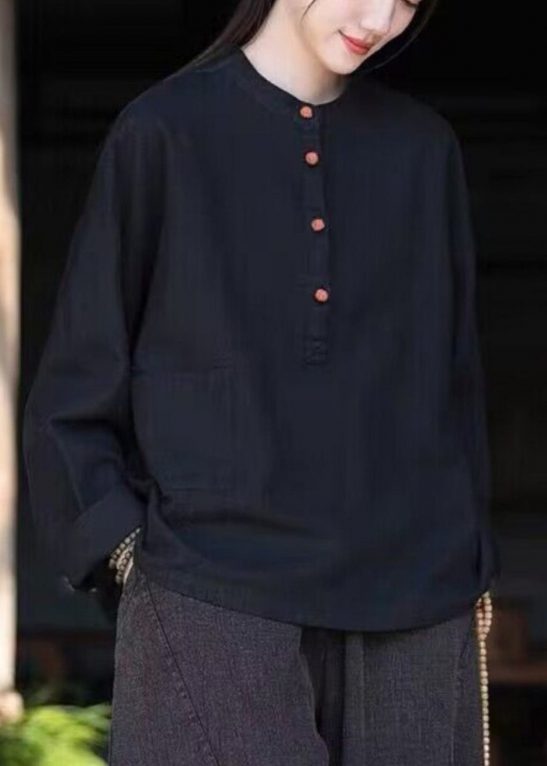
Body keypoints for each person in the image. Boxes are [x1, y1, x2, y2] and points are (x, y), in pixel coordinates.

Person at [22, 0, 501, 763]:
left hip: (417, 601)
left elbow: (453, 386)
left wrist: (467, 558)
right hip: (213, 591)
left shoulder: (422, 148)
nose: (380, 19)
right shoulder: (165, 131)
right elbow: (79, 379)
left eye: (408, 0)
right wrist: (126, 553)